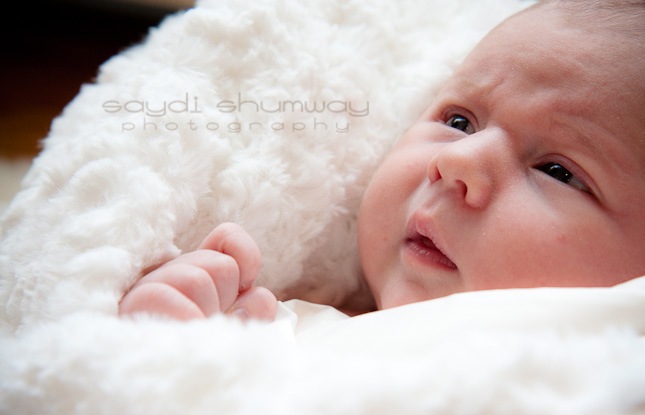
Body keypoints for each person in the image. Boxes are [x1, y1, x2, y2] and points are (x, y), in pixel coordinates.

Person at [119, 0, 645, 321]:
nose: (457, 161)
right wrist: (173, 326)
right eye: (459, 121)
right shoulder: (289, 324)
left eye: (557, 172)